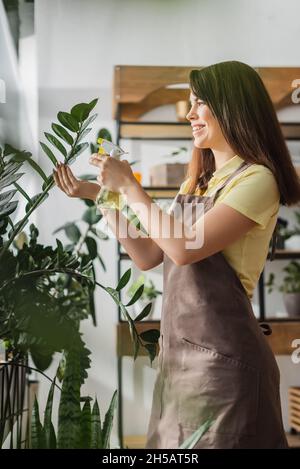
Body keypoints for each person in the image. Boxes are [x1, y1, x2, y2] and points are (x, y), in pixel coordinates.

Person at [54, 61, 300, 448]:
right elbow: (149, 253)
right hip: (178, 360)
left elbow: (184, 249)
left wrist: (130, 189)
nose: (190, 114)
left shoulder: (258, 179)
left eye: (200, 103)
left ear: (232, 107)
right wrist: (101, 195)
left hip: (226, 366)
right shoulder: (197, 182)